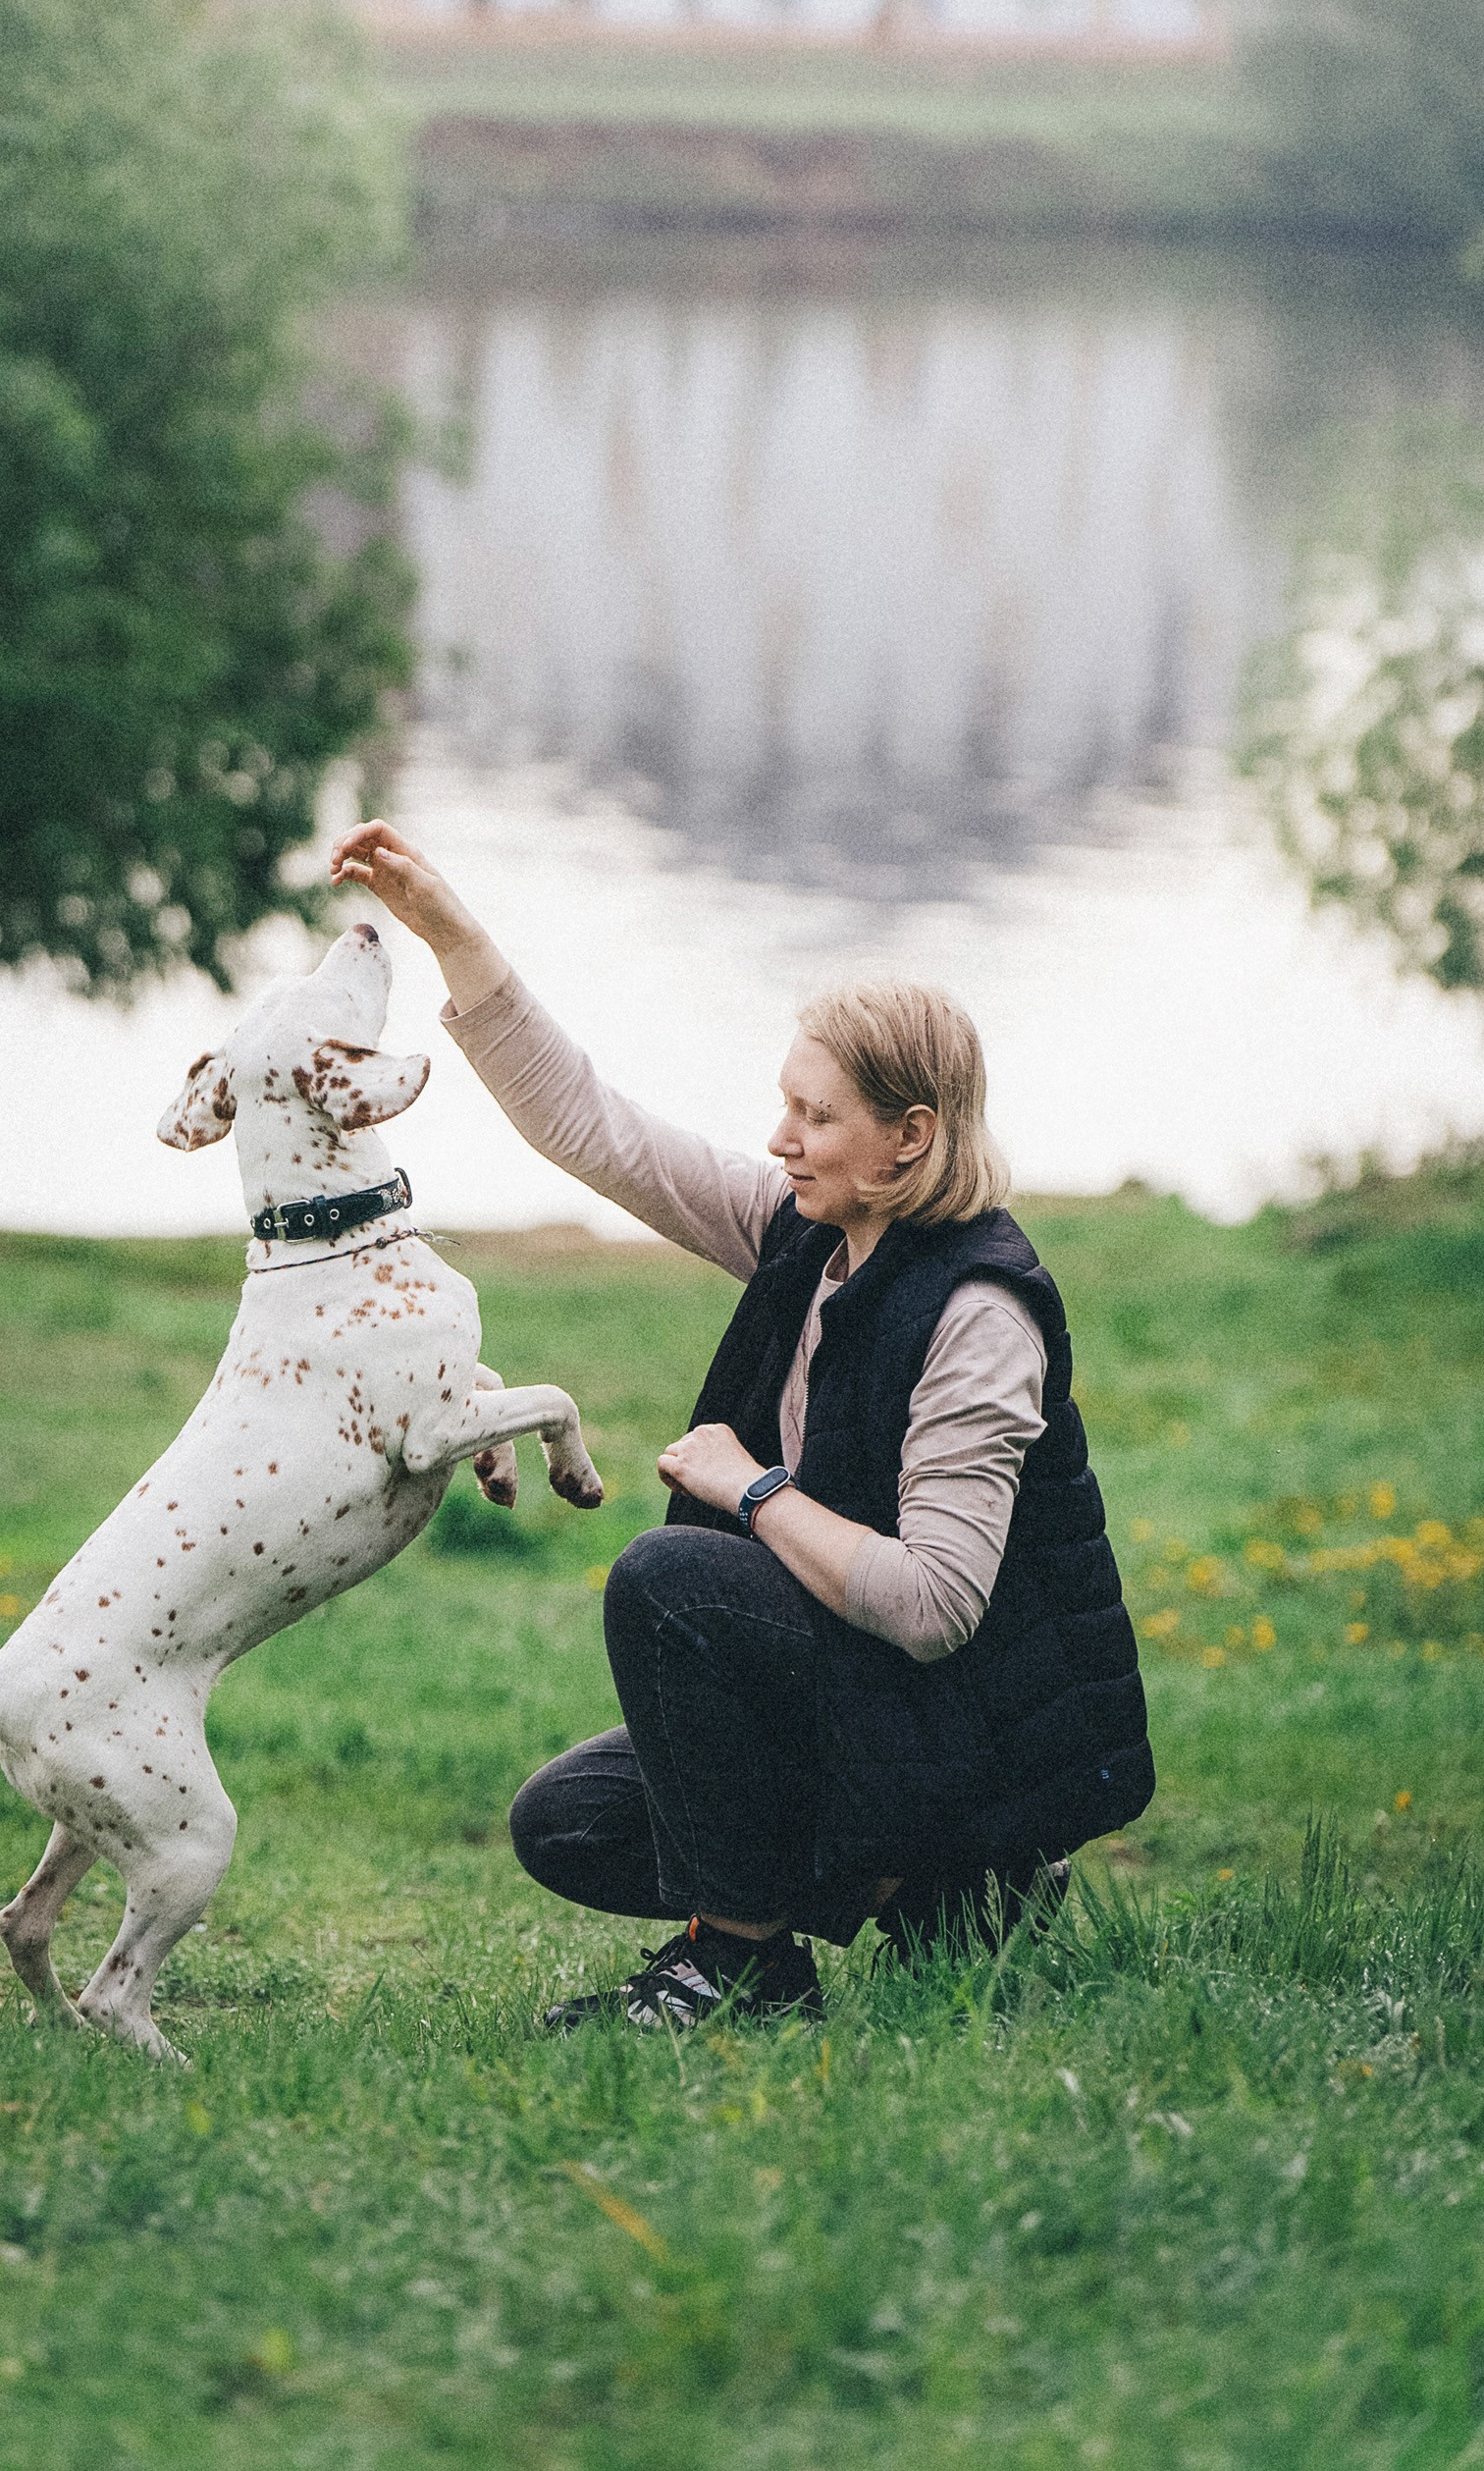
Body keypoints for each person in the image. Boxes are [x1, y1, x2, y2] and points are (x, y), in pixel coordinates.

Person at [329, 821, 1154, 2030]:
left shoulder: (980, 1318)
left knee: (675, 1575)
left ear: (908, 1136)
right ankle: (933, 1893)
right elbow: (594, 1130)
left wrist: (751, 1492)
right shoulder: (806, 1232)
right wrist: (454, 935)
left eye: (814, 1117)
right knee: (569, 1824)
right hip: (872, 1697)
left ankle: (745, 1965)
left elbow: (934, 1611)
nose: (780, 1139)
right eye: (782, 1108)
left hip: (965, 1730)